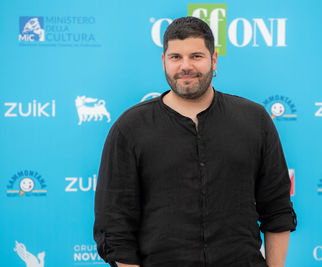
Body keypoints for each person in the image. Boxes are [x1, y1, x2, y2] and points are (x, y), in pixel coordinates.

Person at [93, 16, 297, 267]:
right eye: (175, 57)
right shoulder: (130, 128)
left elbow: (277, 209)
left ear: (213, 60)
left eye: (196, 56)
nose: (185, 66)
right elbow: (114, 226)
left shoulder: (255, 120)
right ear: (164, 62)